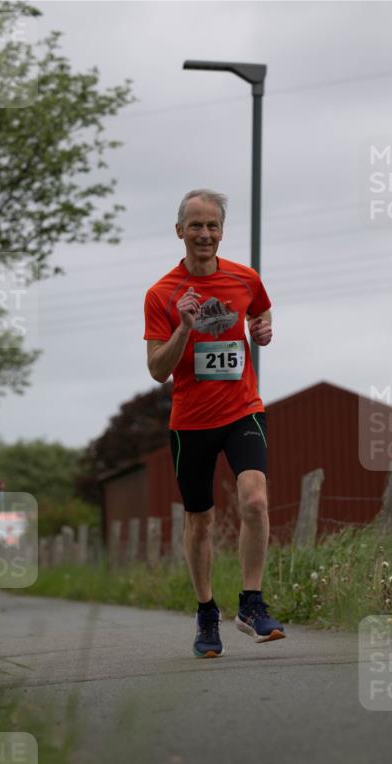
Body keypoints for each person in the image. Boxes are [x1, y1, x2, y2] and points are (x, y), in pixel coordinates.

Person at [144, 188, 285, 658]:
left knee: (255, 499)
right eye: (196, 225)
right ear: (179, 230)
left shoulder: (244, 278)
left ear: (222, 232)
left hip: (242, 408)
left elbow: (260, 314)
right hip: (191, 422)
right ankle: (207, 612)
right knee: (199, 521)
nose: (205, 234)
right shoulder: (161, 293)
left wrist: (261, 330)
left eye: (213, 226)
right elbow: (157, 369)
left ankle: (251, 602)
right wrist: (184, 327)